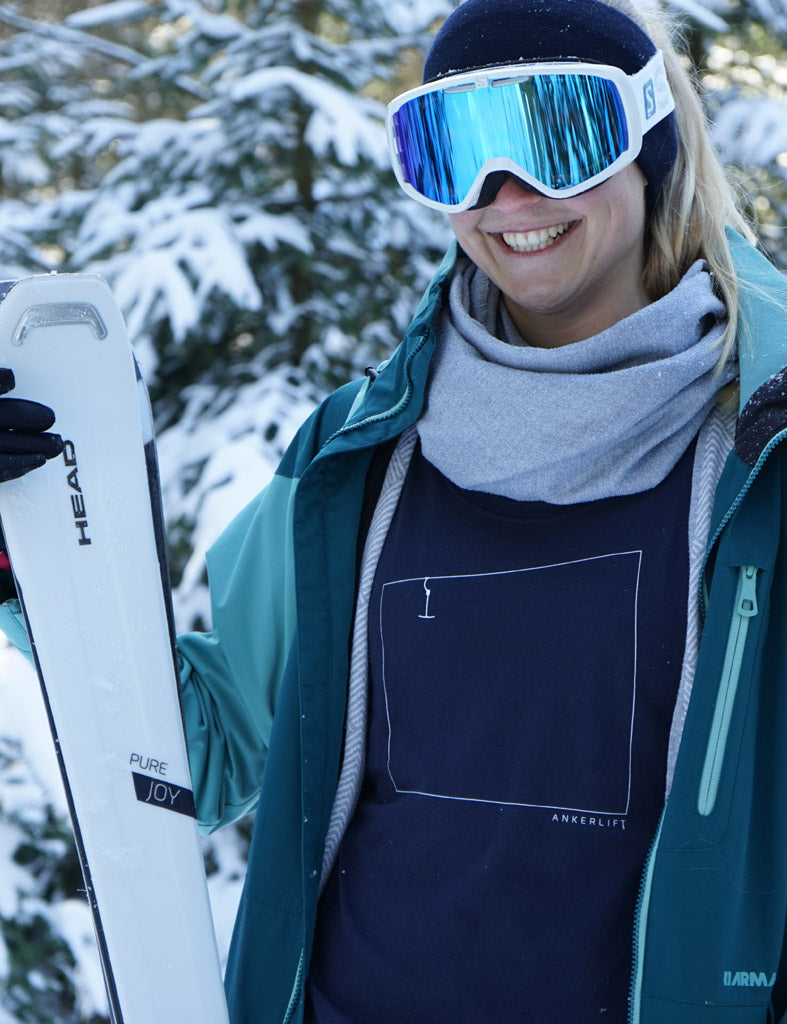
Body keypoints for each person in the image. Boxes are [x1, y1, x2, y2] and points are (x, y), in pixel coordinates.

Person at [2, 0, 787, 1020]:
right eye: (453, 150)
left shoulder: (761, 458)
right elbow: (208, 751)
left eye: (559, 134)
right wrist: (23, 556)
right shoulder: (358, 457)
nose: (506, 194)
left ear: (650, 144)